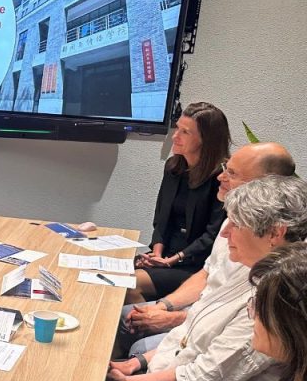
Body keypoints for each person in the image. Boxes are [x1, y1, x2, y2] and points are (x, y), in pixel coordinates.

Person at [88, 175, 307, 381]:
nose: (225, 233)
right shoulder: (248, 268)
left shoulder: (273, 297)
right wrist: (137, 363)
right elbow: (191, 333)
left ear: (275, 233)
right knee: (97, 379)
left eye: (236, 224)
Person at [116, 142, 296, 357]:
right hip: (200, 310)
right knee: (124, 317)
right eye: (225, 169)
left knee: (137, 344)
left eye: (232, 173)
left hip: (209, 325)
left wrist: (173, 319)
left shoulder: (267, 251)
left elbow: (227, 322)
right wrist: (164, 305)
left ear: (265, 185)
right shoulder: (231, 219)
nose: (220, 177)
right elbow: (208, 273)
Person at [133, 102, 230, 303]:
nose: (175, 136)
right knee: (108, 274)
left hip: (196, 265)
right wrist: (157, 253)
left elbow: (213, 235)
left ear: (206, 139)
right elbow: (161, 218)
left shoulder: (222, 178)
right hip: (166, 256)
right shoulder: (173, 167)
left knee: (129, 283)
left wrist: (174, 259)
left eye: (185, 132)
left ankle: (151, 317)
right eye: (177, 128)